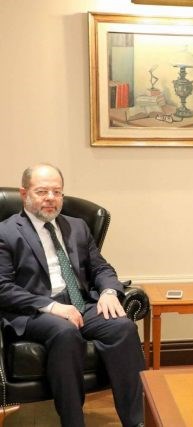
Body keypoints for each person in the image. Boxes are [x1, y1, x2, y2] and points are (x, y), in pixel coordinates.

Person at [0, 164, 144, 427]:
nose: (50, 198)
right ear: (24, 194)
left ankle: (137, 422)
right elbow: (3, 287)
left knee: (122, 327)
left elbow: (101, 268)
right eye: (42, 191)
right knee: (65, 331)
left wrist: (108, 292)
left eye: (57, 192)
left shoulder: (77, 227)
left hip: (80, 303)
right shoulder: (6, 232)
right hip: (35, 311)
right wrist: (52, 307)